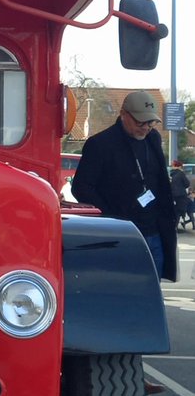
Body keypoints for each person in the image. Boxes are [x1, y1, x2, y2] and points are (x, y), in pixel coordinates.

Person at [71, 89, 177, 281]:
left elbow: (160, 180)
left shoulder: (153, 138)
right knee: (125, 287)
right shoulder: (100, 144)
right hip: (121, 233)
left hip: (154, 231)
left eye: (151, 122)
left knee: (153, 290)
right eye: (140, 122)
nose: (146, 127)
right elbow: (81, 187)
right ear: (123, 115)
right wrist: (111, 216)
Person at [170, 160, 195, 230]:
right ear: (179, 166)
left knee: (176, 211)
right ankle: (179, 225)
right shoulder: (181, 173)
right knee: (182, 210)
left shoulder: (171, 174)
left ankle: (175, 226)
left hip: (173, 196)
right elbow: (187, 184)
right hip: (181, 196)